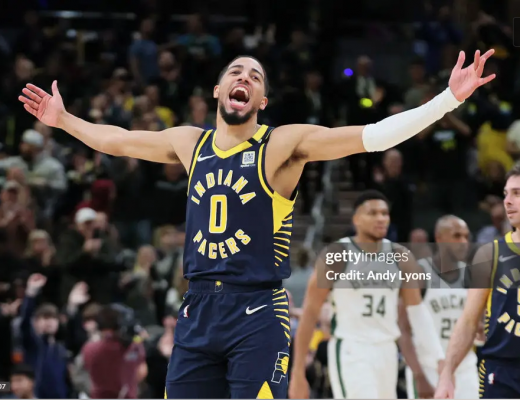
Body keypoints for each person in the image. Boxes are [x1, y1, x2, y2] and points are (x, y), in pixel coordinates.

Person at [19, 50, 495, 399]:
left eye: (254, 76)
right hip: (198, 307)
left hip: (258, 310)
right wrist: (65, 121)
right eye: (235, 72)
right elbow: (119, 140)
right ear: (218, 91)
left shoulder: (281, 145)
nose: (244, 77)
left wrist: (446, 101)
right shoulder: (190, 143)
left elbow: (370, 137)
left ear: (262, 100)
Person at [288, 190, 444, 399]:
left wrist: (439, 358)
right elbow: (309, 313)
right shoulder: (337, 254)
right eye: (372, 213)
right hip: (353, 350)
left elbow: (417, 312)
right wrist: (298, 372)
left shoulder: (401, 256)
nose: (380, 218)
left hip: (388, 350)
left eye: (384, 213)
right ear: (356, 219)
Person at [436, 162, 520, 399]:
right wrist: (447, 374)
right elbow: (468, 320)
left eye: (517, 193)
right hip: (501, 371)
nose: (507, 201)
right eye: (506, 194)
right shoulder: (489, 253)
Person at [399, 215, 478, 399]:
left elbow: (478, 326)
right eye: (457, 236)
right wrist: (419, 375)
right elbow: (403, 330)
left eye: (466, 236)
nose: (463, 242)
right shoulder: (418, 273)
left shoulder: (472, 275)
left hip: (464, 369)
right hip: (429, 368)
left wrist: (481, 332)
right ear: (439, 238)